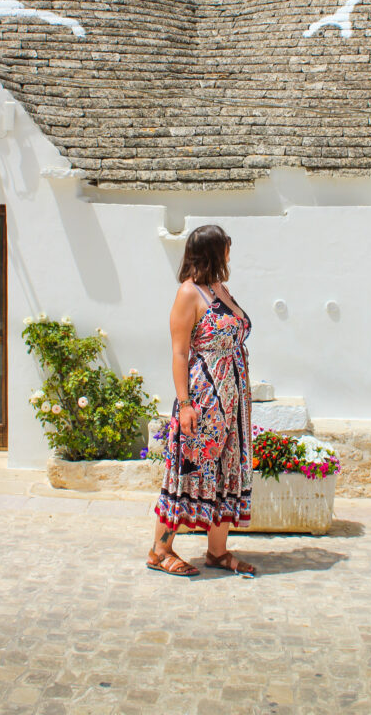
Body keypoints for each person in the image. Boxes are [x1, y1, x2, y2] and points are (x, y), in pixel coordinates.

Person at [147, 224, 256, 577]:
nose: (229, 251)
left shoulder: (220, 289)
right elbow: (179, 353)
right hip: (205, 398)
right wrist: (185, 403)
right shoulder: (189, 294)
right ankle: (160, 550)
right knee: (189, 469)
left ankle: (217, 552)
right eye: (226, 245)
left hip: (234, 400)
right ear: (212, 251)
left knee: (226, 471)